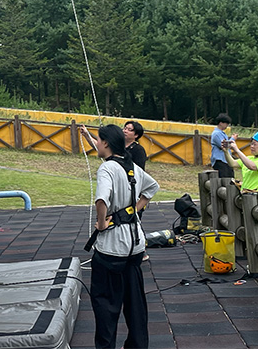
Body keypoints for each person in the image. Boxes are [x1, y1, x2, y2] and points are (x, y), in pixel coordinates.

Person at [79, 124, 159, 349]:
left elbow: (102, 199)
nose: (97, 144)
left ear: (105, 143)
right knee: (135, 304)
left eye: (98, 140)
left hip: (112, 247)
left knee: (105, 305)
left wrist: (103, 223)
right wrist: (133, 209)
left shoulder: (107, 169)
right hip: (135, 246)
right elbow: (152, 187)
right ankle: (137, 345)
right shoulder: (131, 166)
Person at [210, 114, 234, 178]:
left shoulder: (221, 133)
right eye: (226, 123)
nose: (227, 126)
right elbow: (224, 145)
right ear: (221, 123)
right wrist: (233, 139)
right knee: (224, 179)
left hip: (226, 160)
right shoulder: (216, 134)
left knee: (230, 178)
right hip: (220, 160)